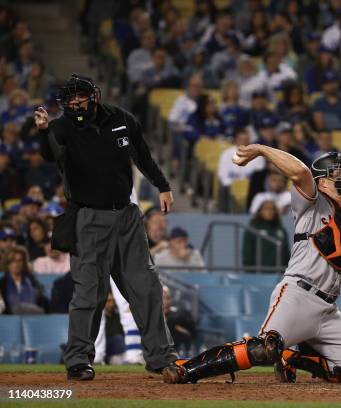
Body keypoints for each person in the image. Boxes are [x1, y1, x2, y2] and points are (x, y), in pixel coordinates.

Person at [163, 147, 341, 385]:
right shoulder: (311, 202)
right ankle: (187, 369)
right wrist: (260, 150)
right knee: (264, 348)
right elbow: (300, 171)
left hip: (328, 309)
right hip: (297, 294)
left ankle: (292, 357)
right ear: (323, 180)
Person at [34, 74, 178, 380]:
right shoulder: (61, 127)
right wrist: (43, 131)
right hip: (88, 218)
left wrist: (162, 185)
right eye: (70, 100)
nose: (75, 104)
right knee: (89, 293)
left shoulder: (121, 119)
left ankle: (161, 356)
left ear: (93, 96)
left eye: (79, 98)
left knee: (147, 287)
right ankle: (77, 360)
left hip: (126, 217)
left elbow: (142, 154)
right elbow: (50, 153)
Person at [242, 199, 290, 272]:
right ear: (260, 211)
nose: (270, 211)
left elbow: (286, 252)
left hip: (279, 273)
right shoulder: (253, 228)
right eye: (266, 209)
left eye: (272, 209)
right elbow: (247, 252)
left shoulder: (281, 230)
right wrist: (249, 271)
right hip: (258, 273)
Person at [0, 246, 49, 314]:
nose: (17, 264)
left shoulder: (33, 282)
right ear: (8, 264)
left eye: (19, 260)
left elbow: (43, 302)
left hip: (33, 317)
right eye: (13, 261)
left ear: (24, 263)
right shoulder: (2, 284)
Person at [162, 285, 196, 354]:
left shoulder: (179, 316)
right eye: (162, 298)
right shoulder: (151, 319)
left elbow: (191, 332)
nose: (166, 302)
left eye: (168, 298)